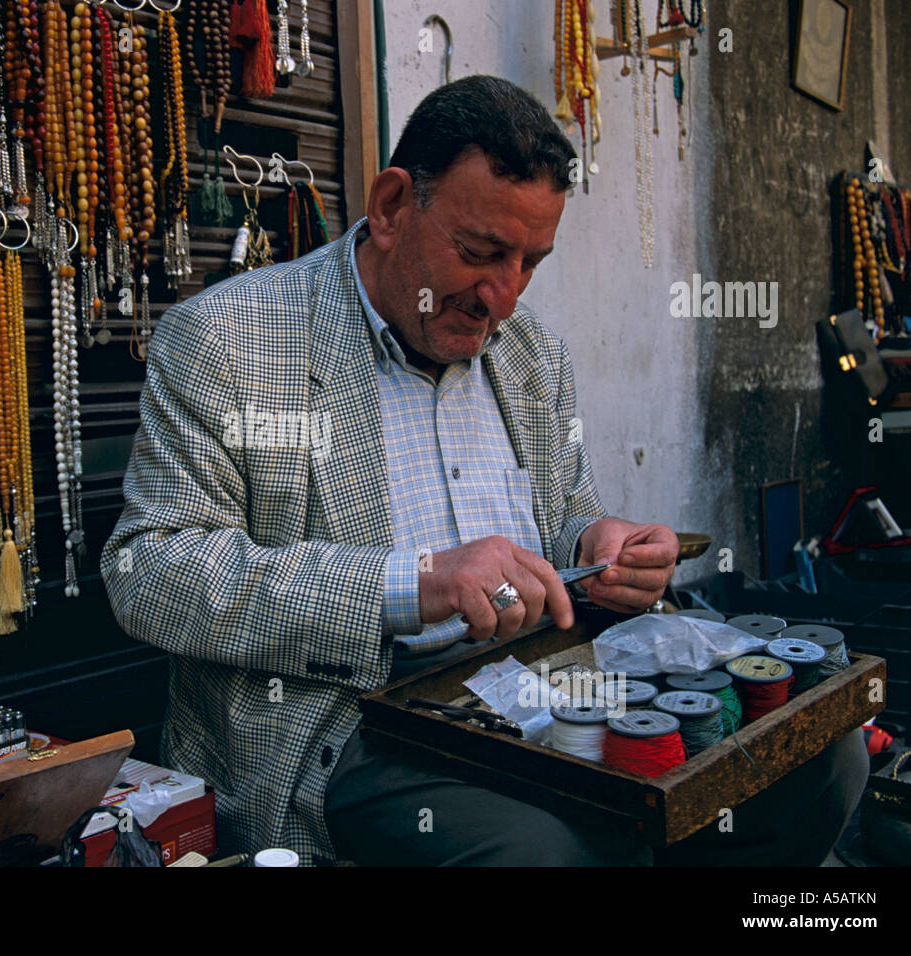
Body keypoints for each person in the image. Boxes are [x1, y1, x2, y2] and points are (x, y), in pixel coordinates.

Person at [101, 76, 867, 865]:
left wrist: (595, 549)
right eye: (480, 254)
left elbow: (567, 516)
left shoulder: (531, 353)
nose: (502, 297)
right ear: (394, 206)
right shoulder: (227, 341)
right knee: (537, 855)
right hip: (345, 720)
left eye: (530, 261)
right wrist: (415, 584)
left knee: (822, 756)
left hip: (539, 686)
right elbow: (151, 572)